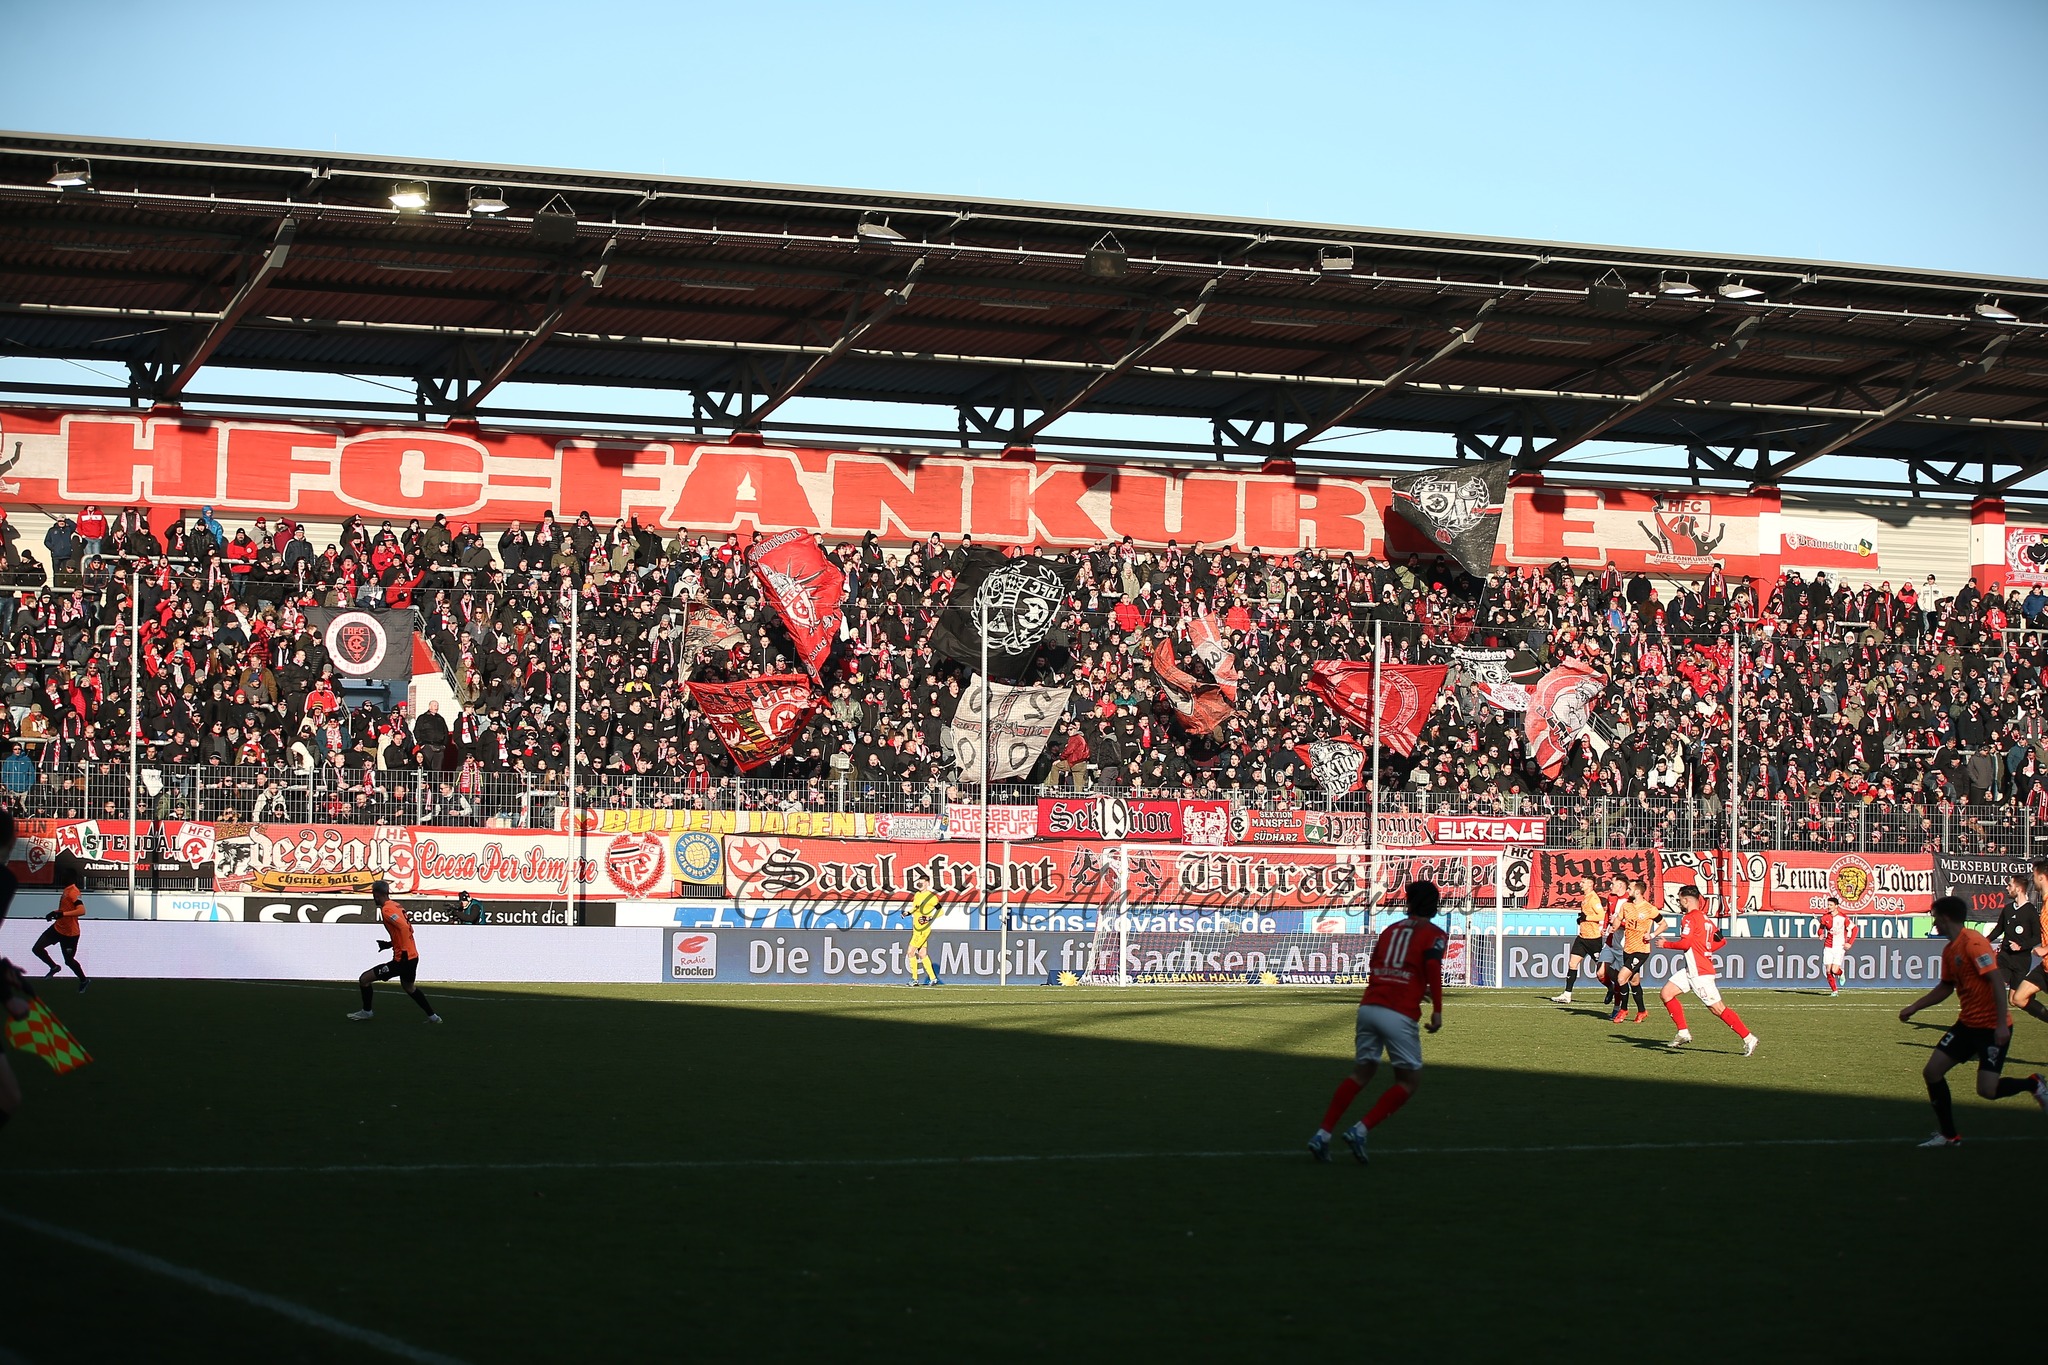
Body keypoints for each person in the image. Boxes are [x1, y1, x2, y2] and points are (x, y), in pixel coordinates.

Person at [1309, 880, 1446, 1164]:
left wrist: (1414, 988)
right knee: (1409, 1081)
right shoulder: (1434, 933)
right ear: (1434, 905)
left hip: (1369, 1006)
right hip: (1398, 1012)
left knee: (1361, 1072)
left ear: (1409, 904)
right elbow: (1432, 966)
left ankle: (1322, 1134)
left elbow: (1377, 966)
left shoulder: (1390, 930)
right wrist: (1437, 1011)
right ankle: (1360, 1130)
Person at [1900, 896, 2046, 1145]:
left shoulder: (1974, 943)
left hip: (1991, 1027)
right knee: (1932, 1072)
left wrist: (2001, 1024)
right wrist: (1915, 1007)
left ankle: (2033, 1084)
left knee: (1986, 1091)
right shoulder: (1950, 950)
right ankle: (1949, 1135)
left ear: (1945, 919)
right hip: (1966, 1025)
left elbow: (1997, 985)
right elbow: (1945, 988)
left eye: (1935, 917)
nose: (1934, 922)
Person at [1660, 885, 1758, 1054]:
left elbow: (1685, 944)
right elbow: (1721, 940)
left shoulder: (1689, 918)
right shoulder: (1705, 919)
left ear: (1686, 900)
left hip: (1699, 971)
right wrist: (1705, 949)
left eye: (1680, 899)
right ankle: (1683, 1032)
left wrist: (1665, 944)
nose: (1679, 903)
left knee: (1717, 1008)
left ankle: (1749, 1038)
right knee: (1666, 993)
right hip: (1692, 969)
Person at [346, 880, 441, 1023]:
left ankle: (367, 1012)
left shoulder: (387, 909)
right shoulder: (396, 905)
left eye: (373, 894)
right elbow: (409, 929)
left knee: (364, 979)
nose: (373, 898)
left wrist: (401, 950)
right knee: (409, 987)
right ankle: (433, 1017)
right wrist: (390, 944)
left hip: (402, 959)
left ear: (377, 894)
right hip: (413, 956)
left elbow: (403, 927)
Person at [1996, 864, 2048, 1025]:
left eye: (2034, 876)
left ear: (2041, 877)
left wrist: (2045, 948)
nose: (2032, 880)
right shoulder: (2044, 903)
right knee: (2018, 998)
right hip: (2045, 967)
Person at [1607, 878, 1661, 1024]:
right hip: (1628, 949)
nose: (1628, 891)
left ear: (1637, 892)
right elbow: (1618, 918)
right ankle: (1642, 1011)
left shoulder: (1649, 908)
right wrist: (1615, 926)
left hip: (1641, 950)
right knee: (1634, 981)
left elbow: (1663, 924)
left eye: (1629, 889)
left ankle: (1623, 1010)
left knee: (1621, 978)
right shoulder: (1626, 906)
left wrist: (1652, 935)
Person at [1550, 875, 1609, 1004]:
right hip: (1582, 938)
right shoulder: (1585, 898)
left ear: (1590, 884)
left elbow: (1601, 915)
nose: (1580, 884)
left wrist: (1586, 917)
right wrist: (1582, 920)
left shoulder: (1594, 898)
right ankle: (1567, 994)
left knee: (1601, 971)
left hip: (1593, 939)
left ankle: (1612, 989)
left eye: (1583, 882)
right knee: (1572, 964)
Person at [31, 871, 88, 992]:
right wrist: (55, 912)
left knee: (69, 961)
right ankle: (54, 967)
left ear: (69, 878)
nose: (61, 878)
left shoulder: (73, 891)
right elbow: (65, 909)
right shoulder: (67, 890)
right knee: (37, 948)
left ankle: (84, 980)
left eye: (64, 876)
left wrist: (62, 914)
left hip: (70, 934)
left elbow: (82, 911)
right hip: (57, 928)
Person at [1816, 895, 1858, 996]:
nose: (1829, 906)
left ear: (1836, 906)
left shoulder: (1843, 918)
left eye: (1831, 905)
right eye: (1828, 904)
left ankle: (1841, 973)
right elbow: (1820, 928)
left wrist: (1850, 943)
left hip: (1839, 947)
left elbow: (1855, 929)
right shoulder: (1825, 917)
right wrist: (1820, 934)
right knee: (1828, 970)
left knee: (1834, 970)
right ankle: (1834, 991)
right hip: (1828, 946)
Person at [906, 888, 943, 986]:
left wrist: (929, 918)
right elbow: (916, 908)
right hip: (916, 928)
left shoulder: (931, 897)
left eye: (921, 882)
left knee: (910, 952)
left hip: (922, 929)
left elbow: (940, 911)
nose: (919, 884)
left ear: (926, 883)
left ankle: (914, 979)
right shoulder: (917, 894)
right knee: (922, 954)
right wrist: (908, 913)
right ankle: (933, 978)